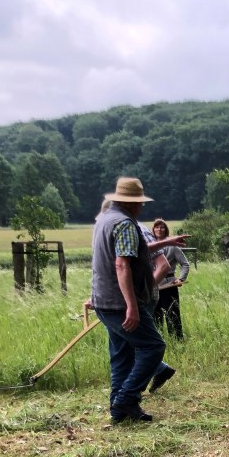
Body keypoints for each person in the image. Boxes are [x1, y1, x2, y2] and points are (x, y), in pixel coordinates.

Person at [90, 177, 186, 423]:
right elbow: (122, 265)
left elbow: (133, 249)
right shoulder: (124, 224)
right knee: (153, 346)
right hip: (120, 302)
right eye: (140, 203)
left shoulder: (104, 220)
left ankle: (118, 411)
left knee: (121, 354)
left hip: (103, 300)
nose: (142, 207)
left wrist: (167, 242)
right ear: (132, 203)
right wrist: (132, 306)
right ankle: (127, 398)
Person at [150, 217, 190, 339]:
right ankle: (158, 341)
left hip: (169, 285)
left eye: (162, 227)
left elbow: (185, 264)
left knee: (173, 315)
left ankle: (177, 341)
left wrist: (181, 279)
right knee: (155, 317)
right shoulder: (149, 246)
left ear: (165, 230)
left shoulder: (173, 247)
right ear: (153, 230)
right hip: (153, 286)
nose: (159, 229)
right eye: (157, 227)